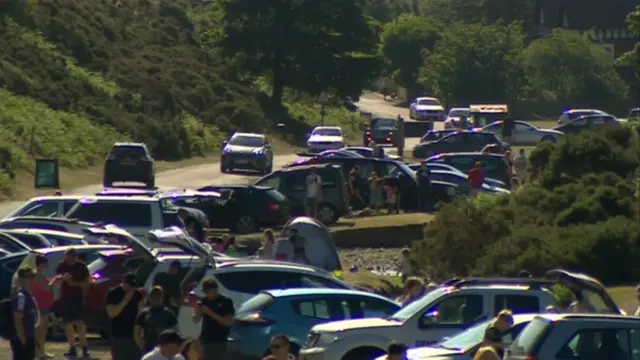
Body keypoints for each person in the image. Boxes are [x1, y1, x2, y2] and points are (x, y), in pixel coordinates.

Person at [55, 248, 91, 358]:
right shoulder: (61, 266)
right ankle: (72, 347)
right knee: (67, 323)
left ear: (74, 257)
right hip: (65, 298)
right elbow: (57, 279)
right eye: (65, 257)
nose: (66, 259)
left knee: (79, 322)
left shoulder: (81, 267)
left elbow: (86, 283)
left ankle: (84, 347)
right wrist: (61, 279)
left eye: (69, 257)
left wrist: (73, 283)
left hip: (77, 297)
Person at [193, 278, 235, 360]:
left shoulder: (225, 301)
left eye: (208, 292)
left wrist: (210, 313)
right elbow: (195, 320)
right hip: (205, 339)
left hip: (219, 340)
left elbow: (228, 322)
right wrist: (197, 311)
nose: (206, 294)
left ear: (215, 290)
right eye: (205, 292)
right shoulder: (204, 301)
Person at [106, 272, 145, 360]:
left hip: (133, 336)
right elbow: (112, 314)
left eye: (133, 286)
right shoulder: (113, 293)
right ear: (124, 282)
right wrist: (125, 301)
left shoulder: (137, 295)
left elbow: (140, 313)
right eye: (129, 285)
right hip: (118, 335)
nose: (132, 288)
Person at [33, 255, 61, 359]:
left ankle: (41, 351)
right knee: (39, 329)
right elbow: (46, 288)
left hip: (44, 305)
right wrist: (55, 281)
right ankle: (37, 352)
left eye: (45, 264)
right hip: (39, 305)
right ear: (38, 264)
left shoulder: (41, 275)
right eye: (43, 264)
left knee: (43, 329)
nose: (45, 266)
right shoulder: (37, 275)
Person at [135, 286, 178, 354]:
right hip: (148, 349)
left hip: (164, 350)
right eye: (154, 296)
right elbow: (136, 333)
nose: (156, 299)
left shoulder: (169, 314)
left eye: (158, 296)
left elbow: (176, 331)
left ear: (162, 298)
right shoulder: (143, 314)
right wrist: (142, 347)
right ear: (149, 298)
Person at [11, 268, 39, 360]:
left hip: (30, 337)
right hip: (21, 339)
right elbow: (18, 320)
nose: (33, 279)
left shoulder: (29, 295)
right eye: (30, 277)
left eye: (33, 277)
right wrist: (23, 340)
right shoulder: (21, 297)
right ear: (22, 279)